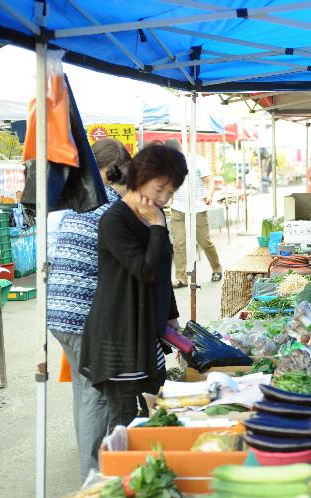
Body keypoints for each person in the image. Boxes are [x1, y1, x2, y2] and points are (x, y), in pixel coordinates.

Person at [80, 143, 187, 428]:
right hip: (120, 334)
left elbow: (163, 270)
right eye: (159, 189)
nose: (164, 198)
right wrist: (156, 226)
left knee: (158, 413)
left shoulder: (155, 215)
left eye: (170, 192)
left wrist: (171, 317)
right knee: (124, 420)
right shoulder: (114, 220)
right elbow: (145, 270)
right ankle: (118, 471)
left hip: (147, 333)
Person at [47, 137, 130, 479]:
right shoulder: (110, 207)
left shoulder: (82, 204)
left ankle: (91, 466)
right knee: (97, 394)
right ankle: (93, 475)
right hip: (82, 314)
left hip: (59, 313)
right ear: (113, 171)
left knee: (84, 392)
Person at [166, 138, 222, 285]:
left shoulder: (197, 160)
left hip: (197, 207)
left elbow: (209, 180)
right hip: (178, 208)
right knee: (179, 244)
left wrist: (209, 194)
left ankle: (216, 268)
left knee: (204, 241)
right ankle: (181, 278)